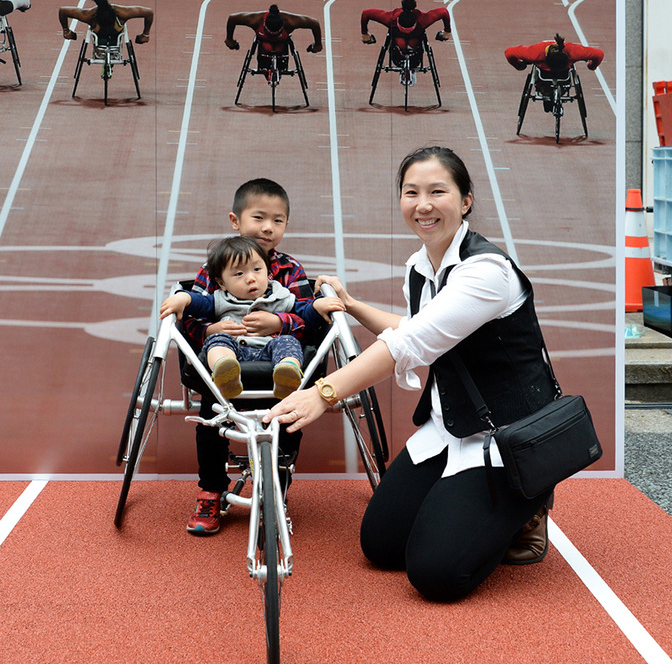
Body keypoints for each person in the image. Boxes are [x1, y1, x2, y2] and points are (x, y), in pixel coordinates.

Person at [265, 145, 560, 602]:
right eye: (411, 192)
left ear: (465, 200)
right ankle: (473, 509)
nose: (423, 205)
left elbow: (412, 343)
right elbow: (417, 328)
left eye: (437, 191)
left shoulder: (486, 272)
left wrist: (322, 393)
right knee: (381, 545)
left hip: (507, 436)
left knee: (437, 575)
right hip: (451, 427)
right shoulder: (420, 267)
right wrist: (352, 305)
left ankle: (529, 502)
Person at [178, 178, 317, 536]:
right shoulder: (214, 267)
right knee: (211, 419)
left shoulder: (291, 270)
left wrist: (279, 322)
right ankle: (211, 490)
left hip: (276, 365)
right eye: (259, 218)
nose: (268, 227)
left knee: (288, 415)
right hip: (225, 368)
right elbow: (191, 316)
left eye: (278, 220)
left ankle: (276, 490)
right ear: (235, 221)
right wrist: (210, 329)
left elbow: (309, 318)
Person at [161, 235, 342, 401]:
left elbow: (305, 312)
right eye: (239, 274)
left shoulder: (281, 296)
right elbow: (197, 303)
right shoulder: (220, 299)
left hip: (271, 351)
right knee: (217, 340)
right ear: (222, 283)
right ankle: (224, 371)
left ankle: (287, 372)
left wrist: (318, 305)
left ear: (267, 272)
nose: (251, 278)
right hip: (234, 352)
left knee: (288, 342)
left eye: (257, 270)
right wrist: (183, 298)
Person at [360, 0, 451, 59]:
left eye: (409, 29)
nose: (406, 32)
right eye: (404, 29)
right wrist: (364, 34)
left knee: (412, 43)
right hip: (397, 47)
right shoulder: (391, 18)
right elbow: (366, 13)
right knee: (401, 43)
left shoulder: (422, 20)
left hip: (415, 46)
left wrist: (447, 31)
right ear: (398, 23)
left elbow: (444, 12)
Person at [225, 4, 323, 57]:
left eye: (276, 33)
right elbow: (232, 18)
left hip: (282, 43)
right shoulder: (255, 20)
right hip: (263, 42)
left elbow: (314, 23)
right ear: (264, 24)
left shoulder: (290, 21)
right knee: (266, 47)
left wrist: (318, 44)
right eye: (270, 32)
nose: (273, 35)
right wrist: (229, 39)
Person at [58, 0, 153, 46]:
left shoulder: (123, 13)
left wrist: (146, 34)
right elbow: (62, 10)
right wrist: (66, 31)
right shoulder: (89, 15)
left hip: (112, 31)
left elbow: (149, 12)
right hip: (100, 32)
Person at [504, 33, 604, 76]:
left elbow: (509, 52)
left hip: (550, 68)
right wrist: (592, 66)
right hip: (561, 69)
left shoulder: (533, 54)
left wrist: (519, 65)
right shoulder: (574, 51)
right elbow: (599, 54)